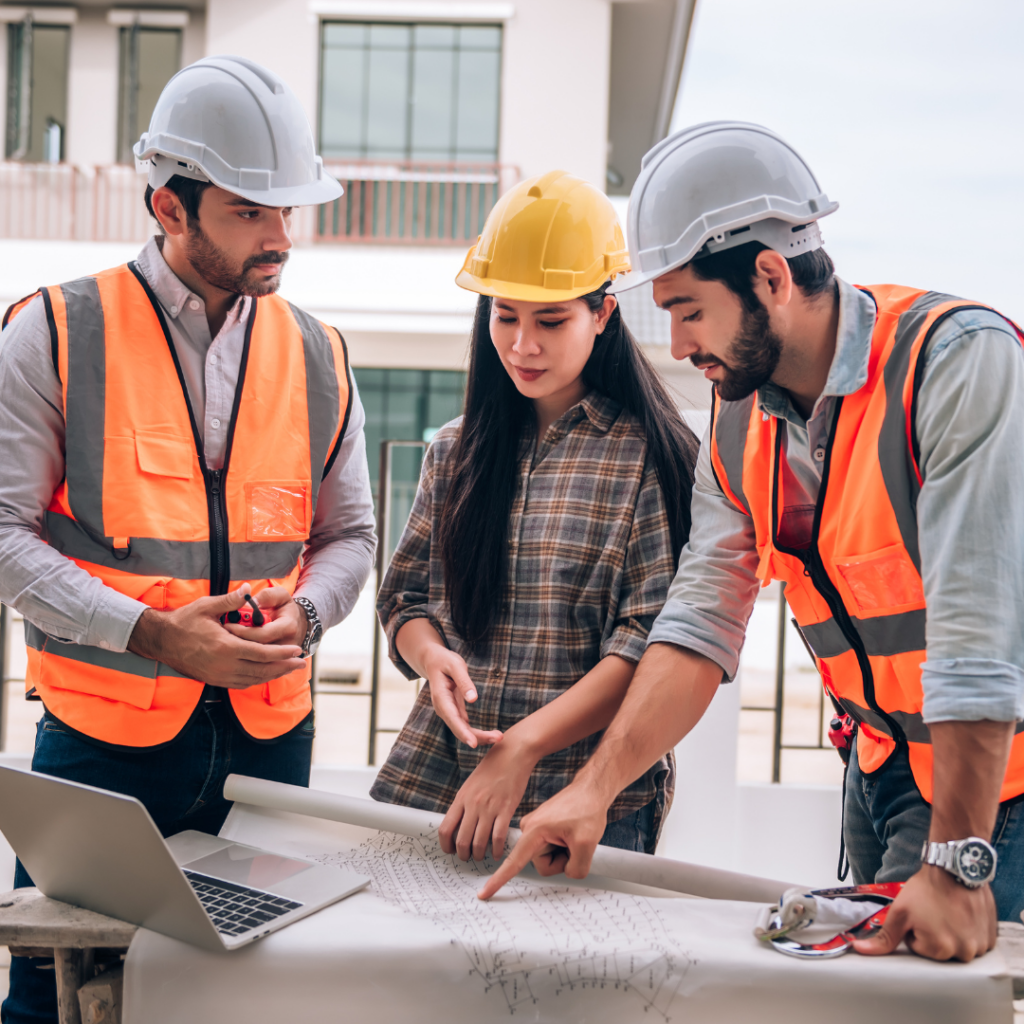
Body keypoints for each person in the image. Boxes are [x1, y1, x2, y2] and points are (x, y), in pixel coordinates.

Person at [481, 122, 1024, 964]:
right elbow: (697, 626)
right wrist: (593, 793)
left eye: (690, 311)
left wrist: (956, 865)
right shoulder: (738, 425)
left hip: (996, 788)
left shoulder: (953, 364)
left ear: (771, 275)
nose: (677, 344)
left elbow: (976, 635)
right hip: (882, 772)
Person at [0, 56, 375, 1022]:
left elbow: (350, 537)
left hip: (269, 743)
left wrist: (306, 613)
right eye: (252, 210)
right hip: (102, 751)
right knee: (58, 998)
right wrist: (156, 634)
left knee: (245, 999)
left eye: (289, 210)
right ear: (169, 207)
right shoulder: (52, 332)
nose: (281, 236)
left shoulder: (319, 351)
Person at [369, 171, 699, 862]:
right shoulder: (456, 450)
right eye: (504, 316)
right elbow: (405, 598)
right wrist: (433, 660)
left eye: (551, 321)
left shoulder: (652, 459)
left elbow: (646, 645)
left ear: (604, 314)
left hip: (584, 800)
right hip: (442, 781)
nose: (522, 346)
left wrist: (523, 746)